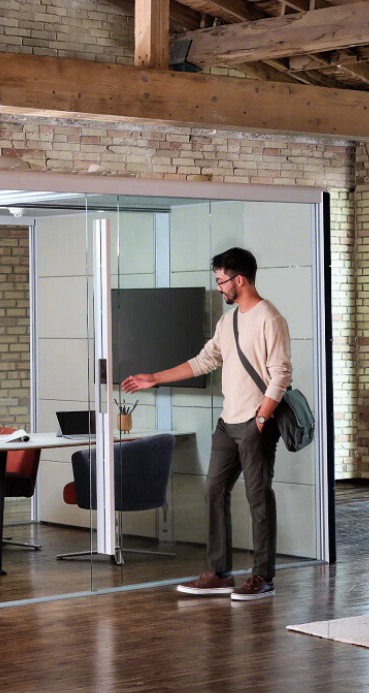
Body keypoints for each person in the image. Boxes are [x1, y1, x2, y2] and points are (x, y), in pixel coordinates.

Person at [122, 246, 293, 600]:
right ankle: (219, 573)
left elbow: (281, 374)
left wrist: (262, 417)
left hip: (255, 423)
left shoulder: (269, 318)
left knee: (258, 498)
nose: (219, 288)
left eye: (221, 281)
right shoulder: (228, 321)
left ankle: (263, 577)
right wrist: (154, 377)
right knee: (214, 490)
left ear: (239, 279)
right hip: (227, 424)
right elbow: (204, 361)